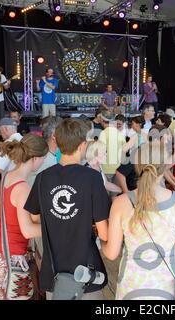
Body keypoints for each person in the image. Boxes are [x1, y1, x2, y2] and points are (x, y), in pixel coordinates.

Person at [24, 118, 110, 299]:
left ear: (56, 140)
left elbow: (33, 218)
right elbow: (104, 233)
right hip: (86, 270)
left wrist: (55, 222)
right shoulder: (92, 178)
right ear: (82, 145)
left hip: (54, 271)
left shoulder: (42, 178)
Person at [101, 142, 175, 300]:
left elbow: (111, 253)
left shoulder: (121, 202)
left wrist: (100, 239)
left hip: (132, 282)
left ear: (137, 165)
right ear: (165, 166)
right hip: (168, 282)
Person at [0, 133, 46, 300]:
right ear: (35, 158)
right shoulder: (23, 189)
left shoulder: (8, 176)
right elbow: (28, 231)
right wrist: (57, 226)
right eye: (43, 158)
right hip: (10, 256)